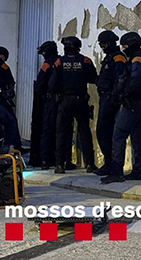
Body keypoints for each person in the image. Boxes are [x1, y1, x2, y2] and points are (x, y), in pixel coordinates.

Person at [101, 32, 141, 184]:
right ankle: (138, 171)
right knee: (137, 136)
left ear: (131, 45)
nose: (123, 49)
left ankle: (117, 171)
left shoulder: (137, 60)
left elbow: (136, 81)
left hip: (131, 103)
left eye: (125, 46)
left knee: (118, 134)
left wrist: (125, 94)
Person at [49, 36, 97, 174]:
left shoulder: (59, 62)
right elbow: (93, 78)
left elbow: (52, 85)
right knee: (84, 131)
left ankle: (60, 165)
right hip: (81, 100)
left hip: (65, 101)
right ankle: (90, 164)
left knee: (61, 132)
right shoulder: (85, 60)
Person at [93, 30, 127, 176]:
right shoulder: (110, 57)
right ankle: (108, 163)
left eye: (105, 44)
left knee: (106, 131)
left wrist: (114, 96)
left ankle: (112, 164)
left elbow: (120, 78)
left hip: (111, 99)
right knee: (103, 132)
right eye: (101, 45)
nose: (103, 47)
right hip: (105, 98)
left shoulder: (118, 57)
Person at [32, 41, 59, 169]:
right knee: (62, 130)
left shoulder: (46, 65)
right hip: (63, 100)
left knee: (47, 130)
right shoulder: (61, 61)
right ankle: (61, 160)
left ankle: (45, 160)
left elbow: (39, 85)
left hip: (50, 101)